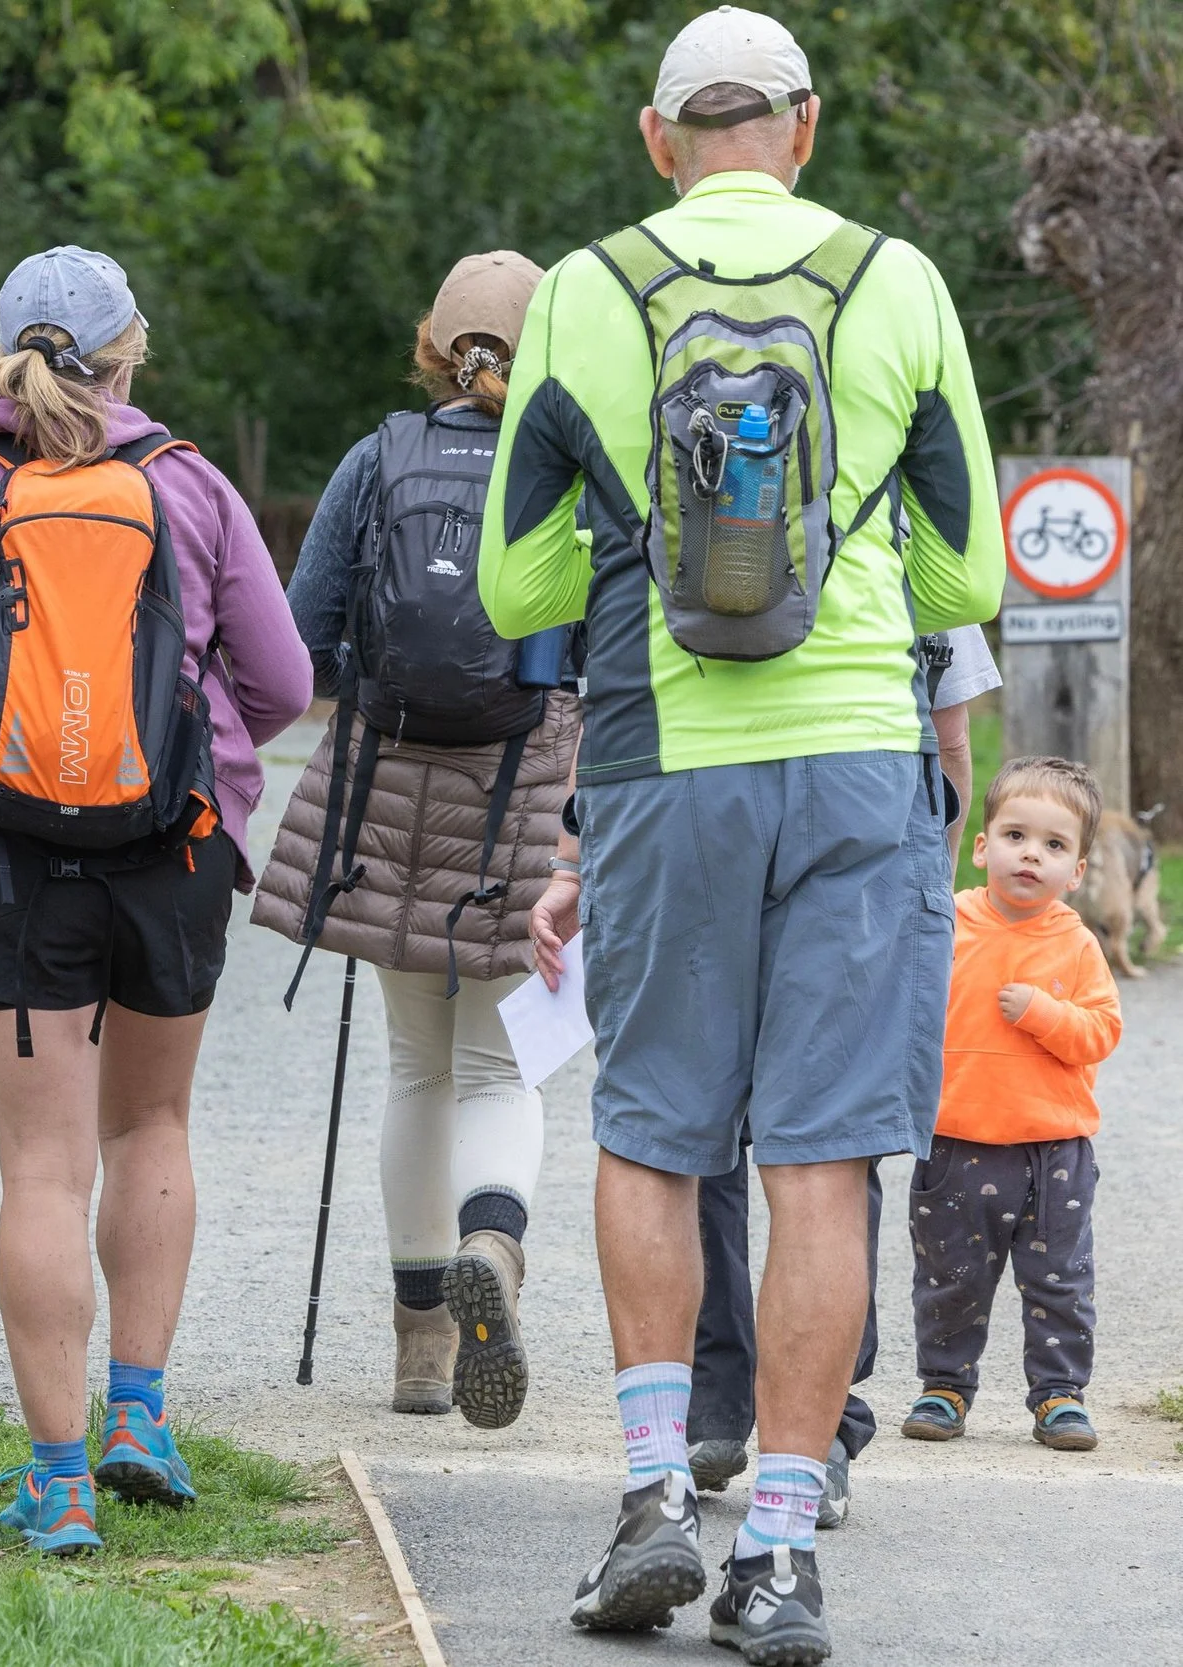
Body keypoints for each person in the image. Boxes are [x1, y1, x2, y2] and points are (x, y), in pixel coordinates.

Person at [483, 9, 1004, 1661]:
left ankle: (653, 1501)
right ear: (804, 126)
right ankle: (780, 1551)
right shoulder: (897, 279)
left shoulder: (580, 289)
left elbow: (518, 587)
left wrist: (648, 572)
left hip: (660, 764)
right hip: (856, 760)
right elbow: (970, 578)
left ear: (658, 141)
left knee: (650, 1134)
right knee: (822, 1160)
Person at [0, 246, 312, 1553]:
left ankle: (57, 1481)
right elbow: (282, 678)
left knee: (42, 1162)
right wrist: (185, 733)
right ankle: (140, 1415)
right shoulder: (192, 486)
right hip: (176, 850)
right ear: (129, 350)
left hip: (6, 853)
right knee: (152, 1122)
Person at [252, 250, 575, 1430]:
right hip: (522, 787)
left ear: (433, 345)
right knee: (499, 1065)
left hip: (384, 787)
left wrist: (375, 689)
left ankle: (420, 1345)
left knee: (414, 1066)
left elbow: (298, 641)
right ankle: (497, 1240)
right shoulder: (567, 470)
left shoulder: (375, 457)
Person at [685, 623, 1001, 1520]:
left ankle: (712, 1405)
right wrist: (926, 893)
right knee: (834, 1141)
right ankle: (823, 1427)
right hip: (860, 842)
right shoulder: (903, 518)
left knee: (695, 1126)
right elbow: (947, 745)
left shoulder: (683, 496)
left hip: (701, 818)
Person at [902, 755, 1119, 1452]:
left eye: (1055, 845)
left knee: (1059, 1279)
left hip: (1052, 1150)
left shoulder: (1076, 943)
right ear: (981, 845)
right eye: (1016, 835)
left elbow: (1101, 1030)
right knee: (949, 1278)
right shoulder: (950, 924)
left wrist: (1045, 1013)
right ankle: (944, 1384)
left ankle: (1059, 1394)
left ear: (1076, 871)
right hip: (956, 1141)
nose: (1032, 853)